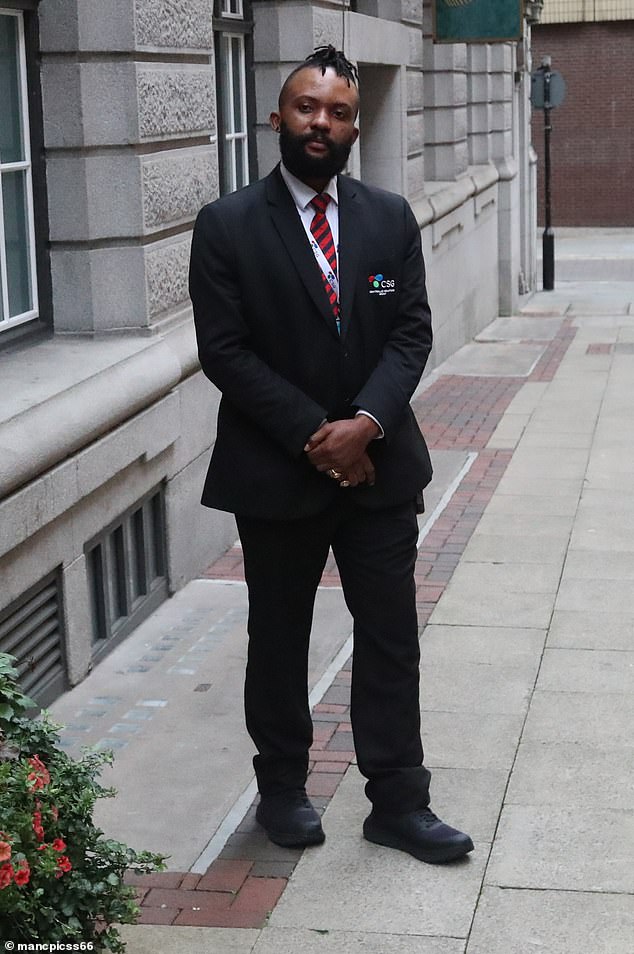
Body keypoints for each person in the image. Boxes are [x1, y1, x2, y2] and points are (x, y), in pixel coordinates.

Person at [189, 46, 473, 865]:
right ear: (278, 118)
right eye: (307, 107)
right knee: (279, 636)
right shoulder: (228, 224)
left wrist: (368, 425)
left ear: (356, 125)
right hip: (277, 471)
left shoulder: (389, 216)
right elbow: (226, 351)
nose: (323, 122)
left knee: (390, 636)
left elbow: (412, 328)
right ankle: (282, 789)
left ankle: (398, 802)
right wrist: (323, 434)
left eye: (339, 111)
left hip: (380, 470)